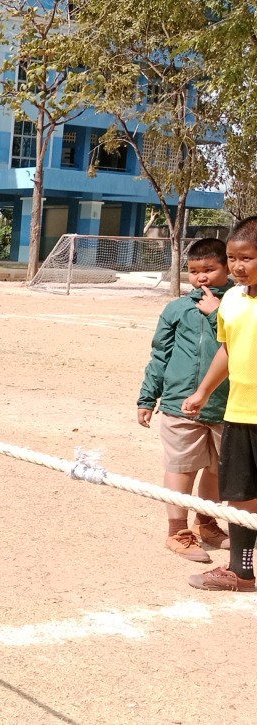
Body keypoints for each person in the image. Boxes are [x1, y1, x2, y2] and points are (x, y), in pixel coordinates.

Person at [138, 237, 233, 562]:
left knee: (219, 470)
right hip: (180, 404)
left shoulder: (240, 305)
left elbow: (241, 343)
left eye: (209, 269)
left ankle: (207, 523)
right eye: (194, 271)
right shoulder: (176, 309)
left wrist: (217, 314)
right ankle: (177, 531)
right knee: (181, 467)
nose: (201, 277)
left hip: (227, 405)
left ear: (227, 267)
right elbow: (160, 356)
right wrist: (148, 397)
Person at [182, 219, 257, 592]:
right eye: (232, 258)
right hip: (239, 414)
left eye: (247, 258)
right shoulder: (232, 300)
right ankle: (241, 572)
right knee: (240, 495)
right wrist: (203, 392)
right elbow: (227, 350)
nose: (238, 266)